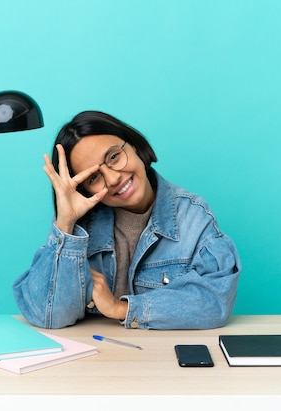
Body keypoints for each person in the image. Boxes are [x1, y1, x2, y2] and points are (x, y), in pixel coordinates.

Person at [13, 111, 241, 329]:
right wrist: (65, 226)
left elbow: (214, 302)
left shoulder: (193, 216)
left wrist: (121, 308)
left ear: (133, 145)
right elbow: (46, 315)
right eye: (94, 177)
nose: (112, 179)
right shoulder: (76, 225)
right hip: (96, 359)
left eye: (114, 157)